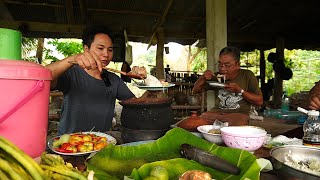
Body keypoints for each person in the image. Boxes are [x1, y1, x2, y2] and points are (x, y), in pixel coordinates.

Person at [46, 26, 136, 135]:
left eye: (110, 49)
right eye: (100, 48)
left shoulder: (114, 80)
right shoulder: (72, 73)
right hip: (69, 145)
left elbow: (135, 104)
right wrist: (71, 59)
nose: (106, 54)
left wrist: (151, 87)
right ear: (86, 49)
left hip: (100, 143)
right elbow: (42, 77)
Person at [192, 46, 263, 113]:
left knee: (233, 123)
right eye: (220, 64)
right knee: (195, 121)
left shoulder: (247, 75)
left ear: (237, 64)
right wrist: (203, 78)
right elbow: (195, 91)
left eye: (227, 65)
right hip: (217, 112)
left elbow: (259, 101)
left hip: (239, 113)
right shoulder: (215, 77)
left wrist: (240, 91)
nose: (222, 68)